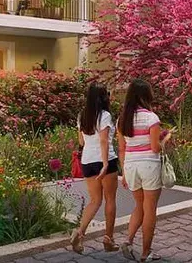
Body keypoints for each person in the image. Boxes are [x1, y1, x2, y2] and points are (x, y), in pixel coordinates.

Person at [117, 79, 170, 261]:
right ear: (146, 95)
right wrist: (166, 139)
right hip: (148, 165)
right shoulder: (151, 118)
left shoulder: (122, 119)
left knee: (139, 206)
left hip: (130, 166)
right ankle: (146, 253)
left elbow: (122, 148)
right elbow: (155, 148)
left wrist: (124, 172)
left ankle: (129, 241)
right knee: (150, 210)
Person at [67, 83, 120, 254]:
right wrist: (105, 164)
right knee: (110, 199)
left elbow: (81, 142)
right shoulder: (104, 115)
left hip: (87, 161)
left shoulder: (82, 116)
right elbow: (104, 141)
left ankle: (80, 232)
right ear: (103, 97)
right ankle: (108, 239)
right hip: (105, 161)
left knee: (94, 200)